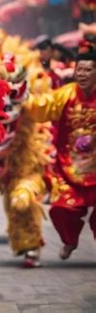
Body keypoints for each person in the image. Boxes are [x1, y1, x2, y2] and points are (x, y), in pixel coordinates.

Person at [26, 50, 96, 260]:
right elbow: (40, 107)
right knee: (60, 209)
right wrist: (21, 95)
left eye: (88, 70)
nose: (82, 74)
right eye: (79, 69)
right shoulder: (65, 94)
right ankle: (70, 240)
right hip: (69, 170)